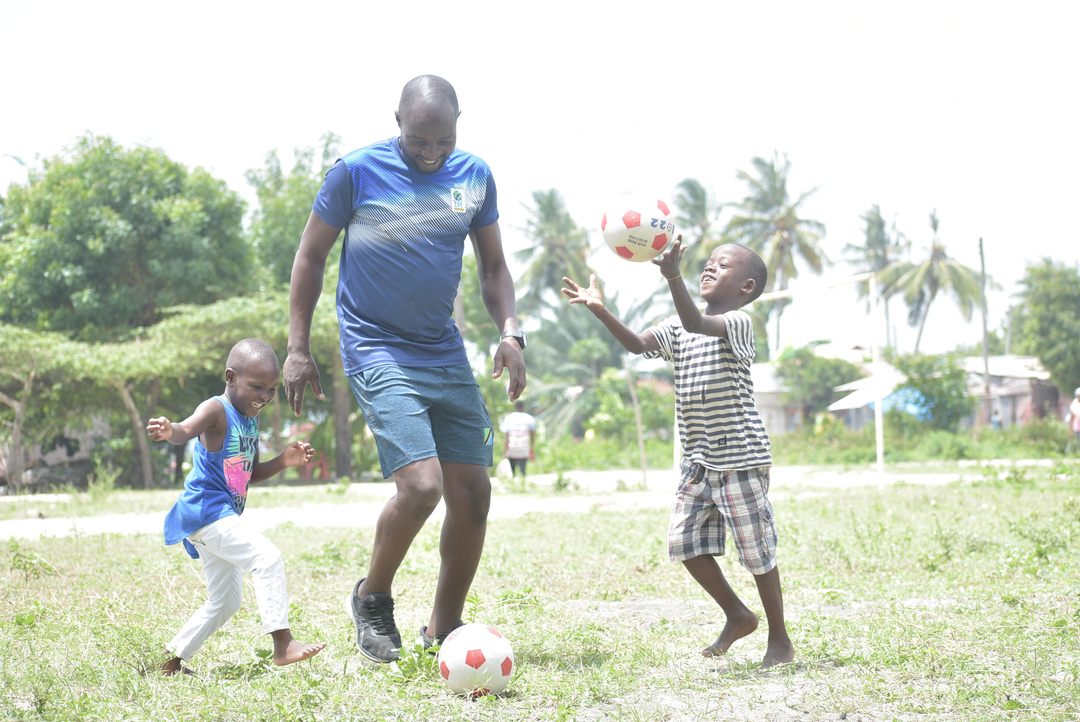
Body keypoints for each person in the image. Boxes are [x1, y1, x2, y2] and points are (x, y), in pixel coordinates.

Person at [283, 75, 526, 663]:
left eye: (443, 140)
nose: (431, 152)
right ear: (397, 121)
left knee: (473, 493)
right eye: (419, 140)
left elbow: (493, 267)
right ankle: (372, 597)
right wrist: (297, 347)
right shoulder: (355, 172)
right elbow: (311, 256)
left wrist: (510, 332)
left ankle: (444, 627)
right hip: (375, 345)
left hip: (442, 348)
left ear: (459, 125)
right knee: (421, 486)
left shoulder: (474, 176)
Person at [561, 238, 795, 669]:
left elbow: (696, 322)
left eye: (722, 265)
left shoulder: (739, 323)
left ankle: (779, 639)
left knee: (756, 551)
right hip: (698, 460)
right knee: (684, 543)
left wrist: (673, 277)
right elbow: (637, 344)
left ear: (745, 287)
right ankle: (738, 615)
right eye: (708, 263)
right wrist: (600, 309)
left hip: (740, 459)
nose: (709, 268)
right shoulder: (676, 326)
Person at [148, 338, 325, 676]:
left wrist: (283, 461)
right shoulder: (216, 409)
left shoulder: (250, 419)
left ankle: (170, 663)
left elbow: (248, 473)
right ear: (230, 377)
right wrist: (170, 430)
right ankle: (283, 643)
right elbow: (185, 430)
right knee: (267, 557)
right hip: (206, 512)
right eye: (257, 387)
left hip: (220, 516)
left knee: (225, 602)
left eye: (271, 389)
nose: (265, 396)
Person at [500, 401, 537, 478]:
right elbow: (532, 435)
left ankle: (513, 482)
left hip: (511, 448)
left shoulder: (509, 418)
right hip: (523, 448)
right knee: (523, 471)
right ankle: (522, 482)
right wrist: (532, 448)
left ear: (515, 407)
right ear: (523, 407)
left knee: (512, 471)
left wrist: (505, 451)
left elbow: (506, 437)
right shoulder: (529, 418)